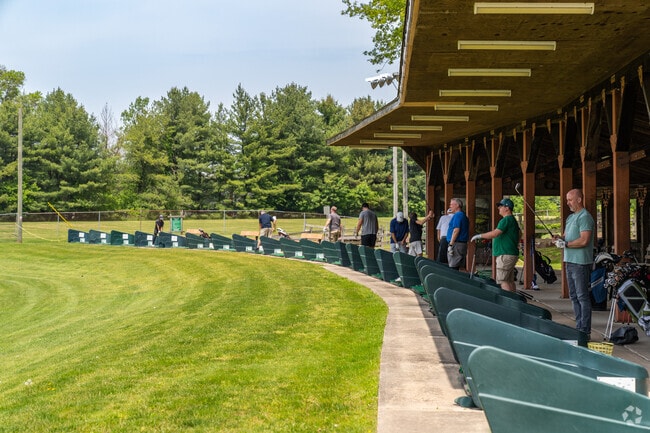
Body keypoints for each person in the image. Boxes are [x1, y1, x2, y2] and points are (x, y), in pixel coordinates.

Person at [555, 188, 594, 337]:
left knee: (582, 296)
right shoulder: (571, 218)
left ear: (579, 199)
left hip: (580, 262)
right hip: (569, 261)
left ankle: (585, 330)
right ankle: (579, 326)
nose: (567, 203)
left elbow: (584, 240)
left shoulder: (585, 217)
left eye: (570, 199)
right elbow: (566, 238)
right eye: (567, 200)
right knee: (573, 295)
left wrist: (566, 244)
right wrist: (559, 239)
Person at [470, 198, 520, 292]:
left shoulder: (506, 220)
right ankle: (514, 302)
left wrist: (480, 235)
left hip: (505, 254)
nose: (499, 208)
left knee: (503, 281)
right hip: (509, 253)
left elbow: (495, 233)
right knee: (509, 280)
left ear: (507, 208)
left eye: (501, 206)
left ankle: (508, 303)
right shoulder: (512, 220)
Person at [446, 198, 470, 271]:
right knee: (460, 267)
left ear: (457, 205)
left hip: (456, 244)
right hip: (461, 244)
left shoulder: (458, 215)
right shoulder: (463, 215)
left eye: (451, 204)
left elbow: (456, 230)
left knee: (453, 267)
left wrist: (451, 244)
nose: (450, 206)